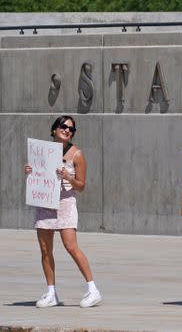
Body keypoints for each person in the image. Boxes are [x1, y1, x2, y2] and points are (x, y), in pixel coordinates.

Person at [24, 115, 103, 308]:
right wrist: (30, 171)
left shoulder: (77, 155)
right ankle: (52, 293)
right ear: (54, 129)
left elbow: (81, 186)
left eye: (71, 129)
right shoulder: (42, 152)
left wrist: (68, 176)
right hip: (45, 203)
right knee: (45, 250)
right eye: (63, 126)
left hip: (65, 204)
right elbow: (39, 176)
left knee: (71, 247)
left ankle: (93, 290)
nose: (67, 130)